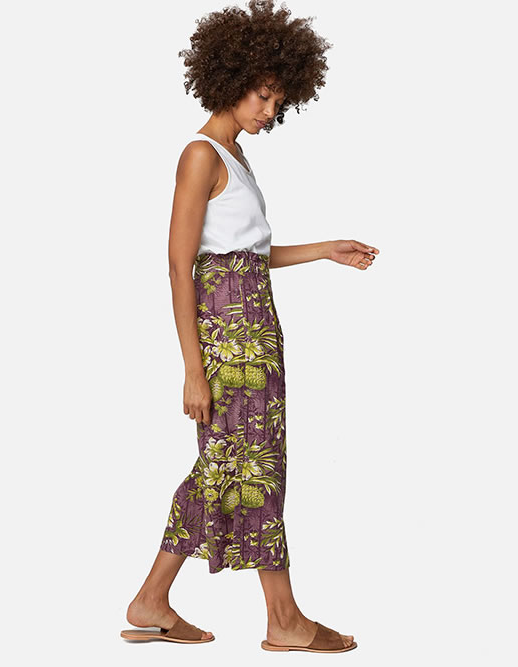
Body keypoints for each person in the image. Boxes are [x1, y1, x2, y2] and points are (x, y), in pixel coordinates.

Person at [120, 0, 377, 654]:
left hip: (256, 331)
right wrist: (193, 368)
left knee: (239, 462)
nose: (269, 110)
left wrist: (324, 249)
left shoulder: (235, 155)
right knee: (248, 463)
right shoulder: (200, 155)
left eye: (278, 100)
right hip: (228, 341)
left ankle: (155, 599)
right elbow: (180, 266)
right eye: (263, 94)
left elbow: (247, 256)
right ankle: (281, 618)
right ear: (230, 77)